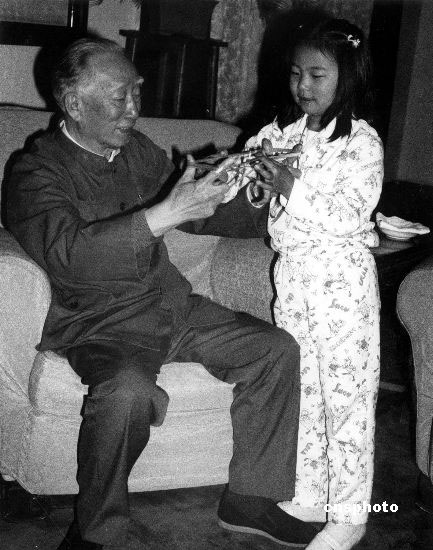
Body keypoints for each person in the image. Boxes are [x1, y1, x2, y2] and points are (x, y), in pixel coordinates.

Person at [5, 37, 321, 550]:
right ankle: (95, 532)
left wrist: (259, 197)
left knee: (275, 350)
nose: (134, 108)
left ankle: (250, 499)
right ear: (74, 104)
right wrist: (167, 211)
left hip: (170, 305)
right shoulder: (34, 172)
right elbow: (69, 255)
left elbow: (200, 213)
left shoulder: (136, 150)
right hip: (100, 322)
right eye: (119, 97)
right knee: (127, 394)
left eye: (137, 91)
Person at [225, 15, 384, 550]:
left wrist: (292, 185)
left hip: (341, 282)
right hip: (293, 276)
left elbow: (348, 214)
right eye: (296, 74)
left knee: (347, 399)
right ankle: (312, 494)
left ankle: (351, 514)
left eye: (318, 75)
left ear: (348, 76)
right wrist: (232, 172)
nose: (303, 86)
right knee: (308, 391)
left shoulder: (362, 142)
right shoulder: (282, 133)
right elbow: (250, 179)